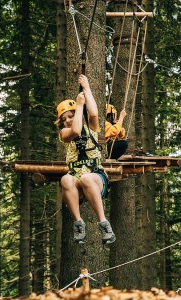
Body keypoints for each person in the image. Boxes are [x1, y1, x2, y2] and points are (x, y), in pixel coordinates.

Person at [56, 74, 115, 245]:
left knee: (87, 178)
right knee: (66, 179)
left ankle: (103, 223)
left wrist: (87, 88)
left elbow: (94, 114)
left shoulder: (92, 128)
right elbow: (75, 131)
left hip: (96, 178)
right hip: (77, 178)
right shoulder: (64, 133)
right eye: (64, 119)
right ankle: (78, 222)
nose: (67, 120)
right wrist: (79, 105)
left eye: (70, 116)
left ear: (78, 114)